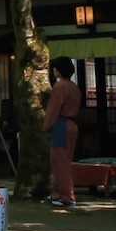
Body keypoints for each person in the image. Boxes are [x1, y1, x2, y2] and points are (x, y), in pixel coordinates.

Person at [41, 57, 82, 209]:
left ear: (58, 69)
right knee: (64, 162)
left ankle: (67, 197)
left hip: (61, 125)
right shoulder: (73, 86)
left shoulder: (60, 86)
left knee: (59, 163)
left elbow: (53, 109)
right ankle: (60, 194)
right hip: (71, 125)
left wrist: (45, 126)